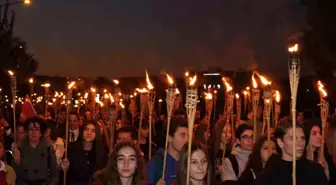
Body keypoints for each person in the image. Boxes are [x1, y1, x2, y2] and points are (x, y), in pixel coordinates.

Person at [254, 120, 328, 185]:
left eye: (302, 138)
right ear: (280, 142)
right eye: (293, 138)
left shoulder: (315, 170)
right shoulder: (268, 176)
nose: (300, 143)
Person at [12, 117, 59, 185]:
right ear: (27, 132)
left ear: (40, 133)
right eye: (31, 129)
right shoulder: (19, 149)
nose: (34, 132)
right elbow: (15, 175)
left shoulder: (48, 149)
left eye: (37, 129)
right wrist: (16, 161)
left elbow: (55, 174)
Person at [147, 116, 189, 185]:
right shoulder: (155, 164)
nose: (187, 140)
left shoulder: (189, 162)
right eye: (183, 135)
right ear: (169, 138)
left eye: (188, 136)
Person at [65, 120, 107, 185]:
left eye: (93, 131)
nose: (89, 133)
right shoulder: (72, 148)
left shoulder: (101, 151)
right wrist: (64, 168)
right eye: (86, 129)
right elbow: (65, 175)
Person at [303, 120, 336, 184]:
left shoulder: (325, 155)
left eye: (320, 133)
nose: (319, 136)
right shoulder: (302, 159)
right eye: (314, 133)